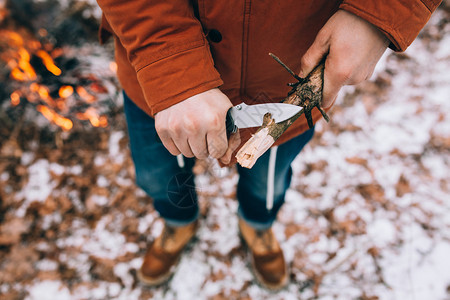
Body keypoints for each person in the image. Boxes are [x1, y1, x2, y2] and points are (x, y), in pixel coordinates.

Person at [96, 0, 441, 290]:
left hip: (286, 88)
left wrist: (381, 13)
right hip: (157, 83)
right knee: (160, 175)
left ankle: (257, 226)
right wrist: (173, 68)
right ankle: (178, 221)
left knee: (268, 183)